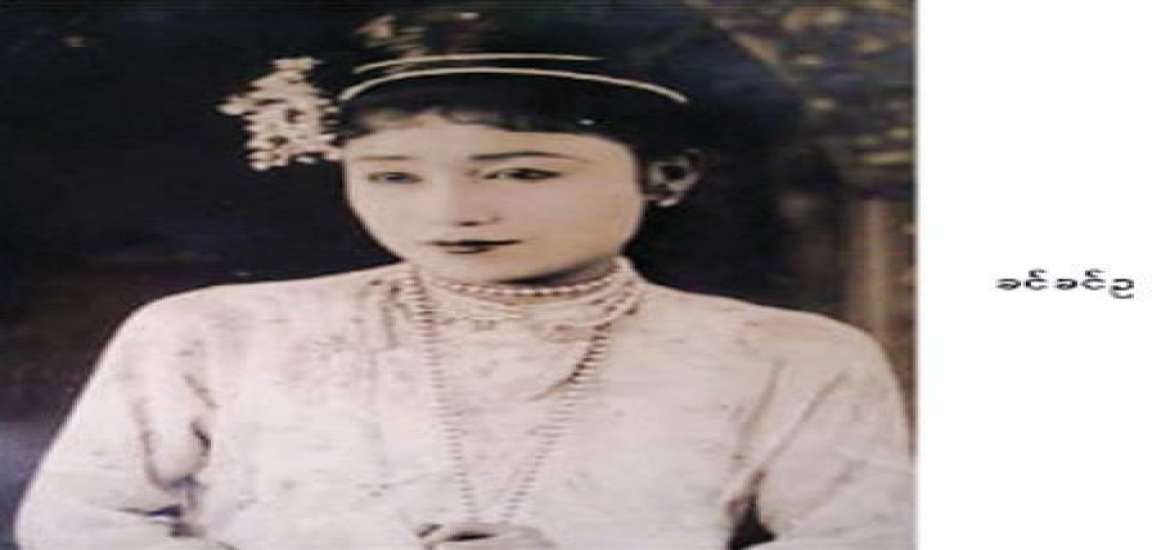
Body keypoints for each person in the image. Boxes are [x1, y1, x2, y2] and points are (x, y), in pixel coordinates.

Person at [16, 4, 913, 549]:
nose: (453, 211)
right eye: (394, 177)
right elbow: (77, 525)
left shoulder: (788, 354)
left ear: (667, 176)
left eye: (523, 172)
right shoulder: (213, 333)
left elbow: (870, 537)